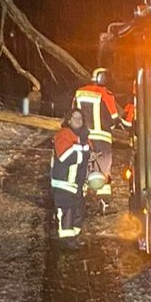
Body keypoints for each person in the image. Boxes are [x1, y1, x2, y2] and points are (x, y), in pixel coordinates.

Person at [74, 66, 126, 208]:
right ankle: (105, 204)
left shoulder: (79, 93)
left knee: (82, 166)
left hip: (82, 137)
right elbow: (114, 117)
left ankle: (79, 199)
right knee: (103, 170)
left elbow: (72, 114)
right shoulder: (105, 94)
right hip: (102, 138)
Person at [50, 106, 90, 245]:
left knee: (78, 211)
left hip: (76, 183)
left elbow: (87, 153)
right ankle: (66, 241)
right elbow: (65, 156)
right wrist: (84, 152)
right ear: (69, 120)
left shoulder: (83, 135)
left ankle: (74, 238)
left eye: (80, 118)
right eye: (75, 118)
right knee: (67, 211)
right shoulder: (63, 134)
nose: (78, 121)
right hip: (64, 182)